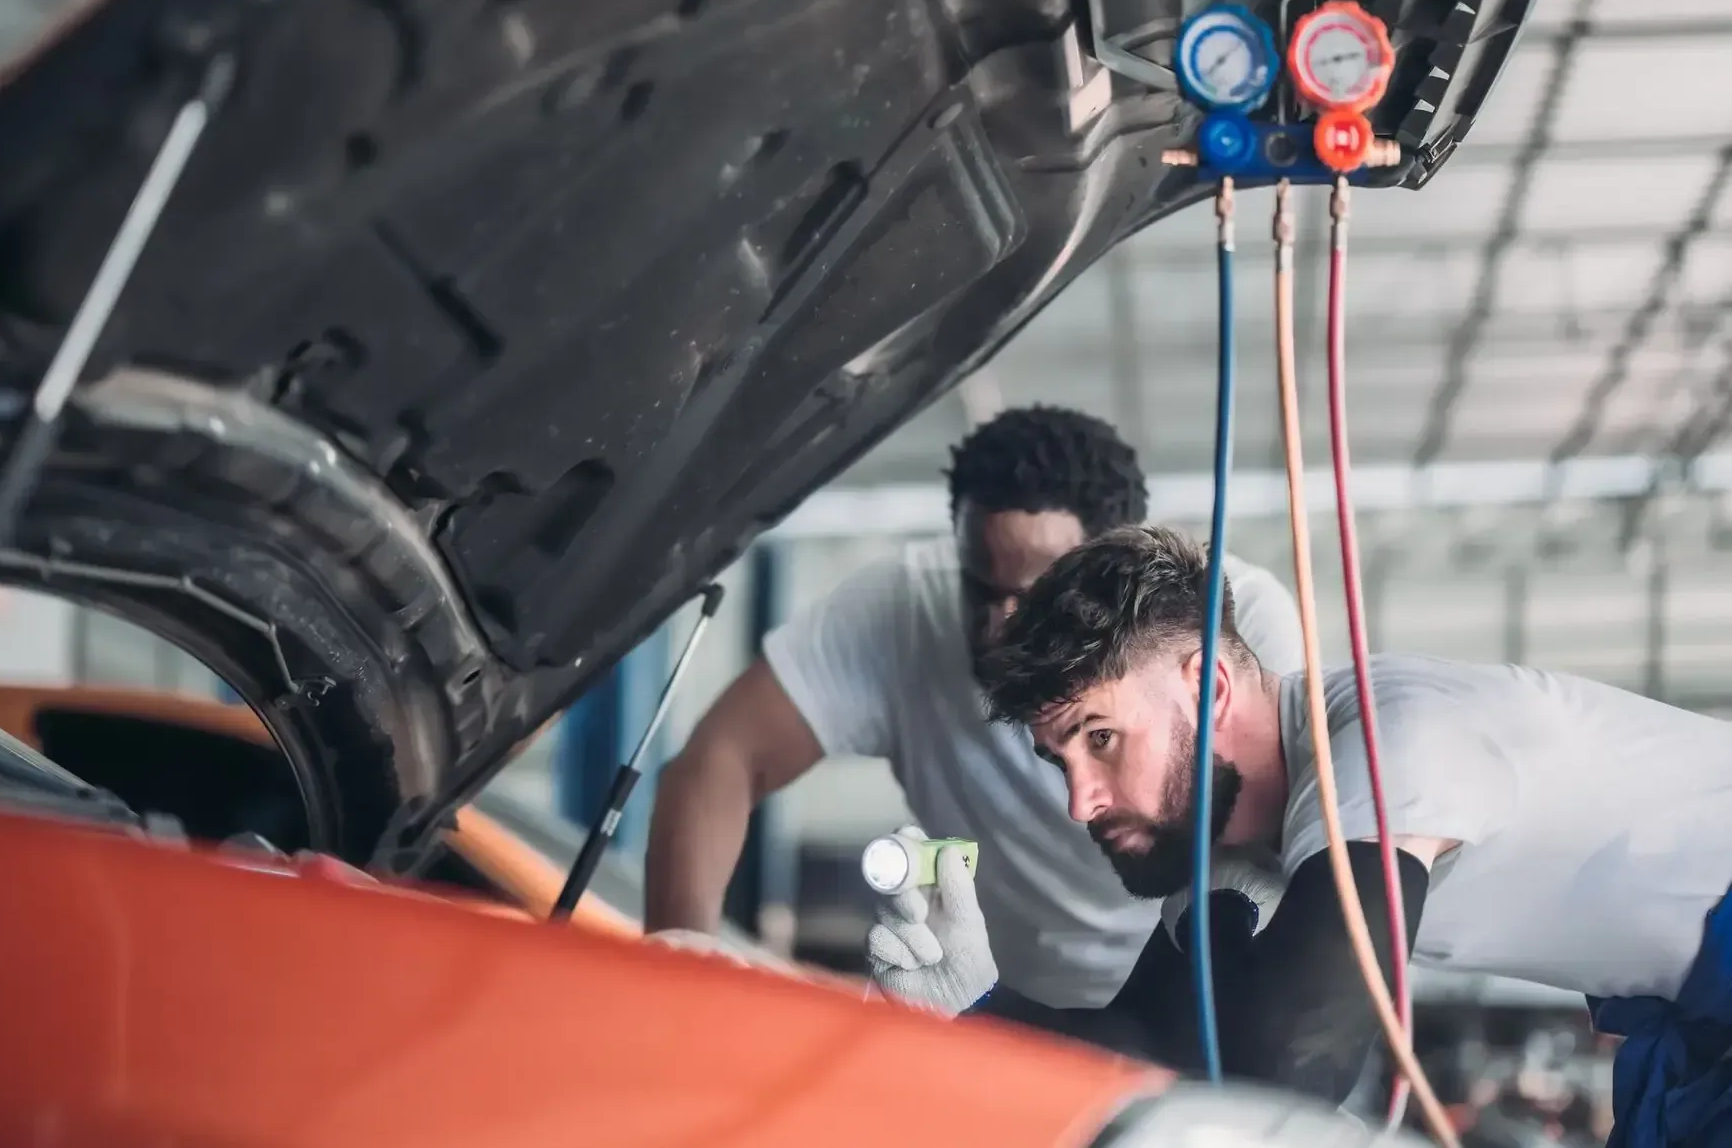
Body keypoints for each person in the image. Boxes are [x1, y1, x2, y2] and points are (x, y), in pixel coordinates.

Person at [870, 524, 1732, 1148]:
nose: (1079, 801)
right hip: (1698, 1025)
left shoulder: (1392, 739)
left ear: (1207, 686)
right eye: (1059, 759)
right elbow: (1154, 1041)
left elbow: (1296, 1064)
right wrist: (976, 1008)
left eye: (1101, 738)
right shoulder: (1243, 838)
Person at [644, 406, 1306, 1020]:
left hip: (1189, 1001)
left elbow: (1270, 846)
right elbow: (720, 759)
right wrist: (679, 969)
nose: (998, 627)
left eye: (1034, 593)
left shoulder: (1228, 623)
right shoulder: (904, 608)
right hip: (998, 1011)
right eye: (979, 590)